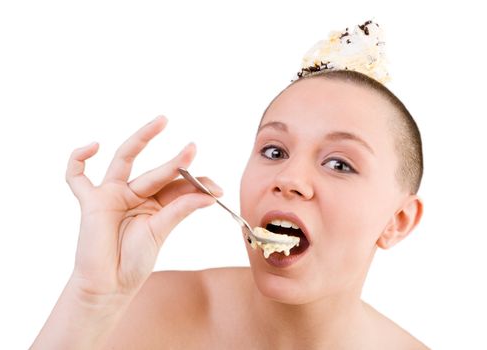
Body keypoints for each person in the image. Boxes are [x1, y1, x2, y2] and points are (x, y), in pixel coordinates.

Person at [31, 24, 429, 349]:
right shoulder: (141, 312)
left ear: (397, 221)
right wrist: (92, 300)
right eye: (274, 151)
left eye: (339, 163)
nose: (288, 179)